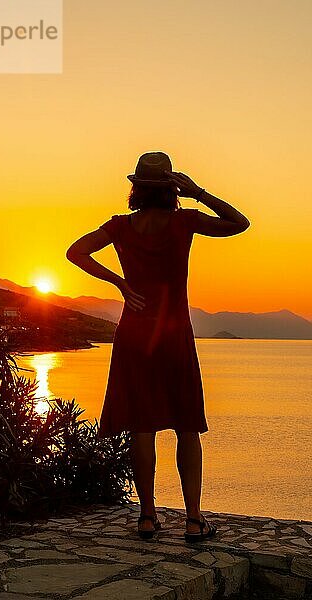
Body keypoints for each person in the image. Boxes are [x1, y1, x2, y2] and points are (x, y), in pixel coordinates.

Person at [66, 151, 250, 541]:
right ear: (171, 187)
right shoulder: (185, 221)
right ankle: (194, 519)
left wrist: (119, 283)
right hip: (173, 333)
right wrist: (198, 191)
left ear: (135, 189)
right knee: (186, 424)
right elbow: (239, 223)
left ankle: (147, 517)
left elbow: (75, 252)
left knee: (142, 425)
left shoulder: (121, 227)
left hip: (134, 332)